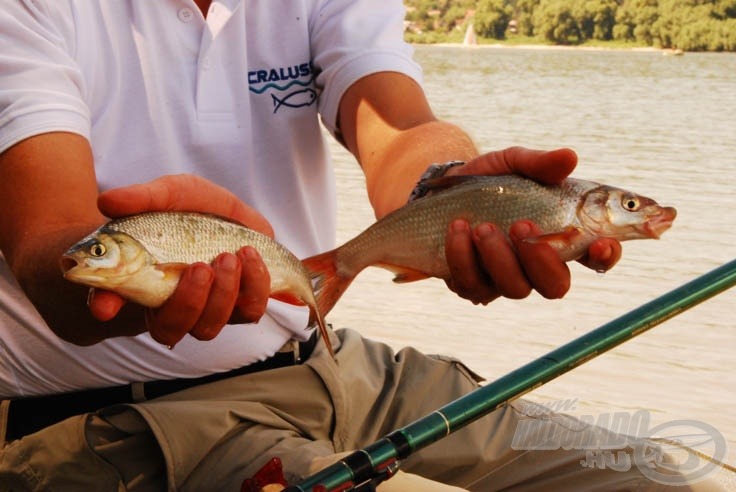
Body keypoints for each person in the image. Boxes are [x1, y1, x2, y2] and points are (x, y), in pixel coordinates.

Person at [0, 1, 721, 491]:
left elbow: (399, 128)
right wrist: (131, 276)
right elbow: (53, 255)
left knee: (654, 471)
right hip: (125, 420)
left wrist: (449, 190)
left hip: (330, 361)